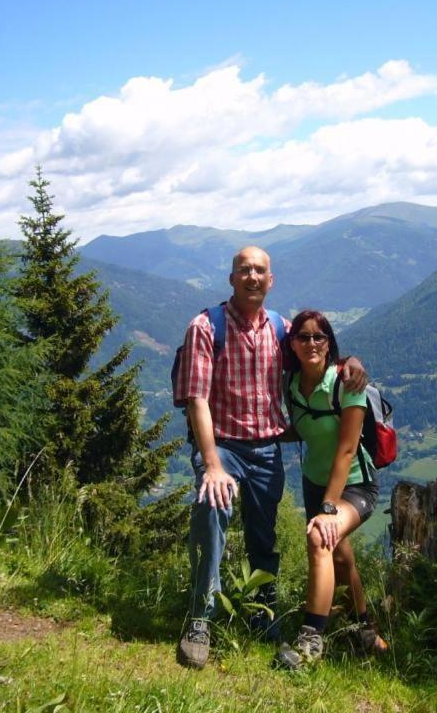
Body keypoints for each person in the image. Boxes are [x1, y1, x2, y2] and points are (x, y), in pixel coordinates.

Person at [173, 246, 367, 670]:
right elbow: (196, 400)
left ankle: (261, 611)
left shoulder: (280, 329)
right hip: (222, 445)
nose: (252, 277)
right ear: (231, 278)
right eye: (244, 270)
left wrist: (350, 361)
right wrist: (212, 464)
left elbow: (314, 353)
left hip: (266, 450)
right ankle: (201, 616)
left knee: (264, 537)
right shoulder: (206, 327)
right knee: (212, 508)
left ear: (271, 279)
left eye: (260, 270)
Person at [274, 309, 389, 670]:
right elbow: (298, 428)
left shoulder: (346, 384)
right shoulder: (291, 384)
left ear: (329, 342)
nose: (311, 343)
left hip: (355, 485)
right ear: (292, 344)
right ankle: (366, 631)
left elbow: (346, 449)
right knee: (340, 557)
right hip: (314, 482)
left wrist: (327, 507)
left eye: (318, 337)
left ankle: (310, 642)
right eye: (303, 337)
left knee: (320, 541)